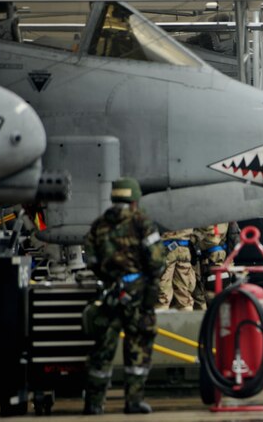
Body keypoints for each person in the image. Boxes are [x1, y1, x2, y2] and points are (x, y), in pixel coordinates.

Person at [82, 177, 165, 415]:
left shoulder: (99, 225)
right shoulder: (142, 223)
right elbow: (157, 260)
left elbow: (91, 259)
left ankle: (95, 403)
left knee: (102, 349)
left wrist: (109, 276)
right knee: (138, 346)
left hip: (109, 295)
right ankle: (134, 401)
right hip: (138, 295)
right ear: (135, 200)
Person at [155, 228, 196, 311]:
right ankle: (188, 322)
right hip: (184, 248)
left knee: (162, 296)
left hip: (166, 248)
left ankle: (162, 320)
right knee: (184, 295)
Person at [190, 224, 228, 310]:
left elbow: (210, 238)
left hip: (210, 256)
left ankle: (212, 315)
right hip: (216, 254)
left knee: (209, 288)